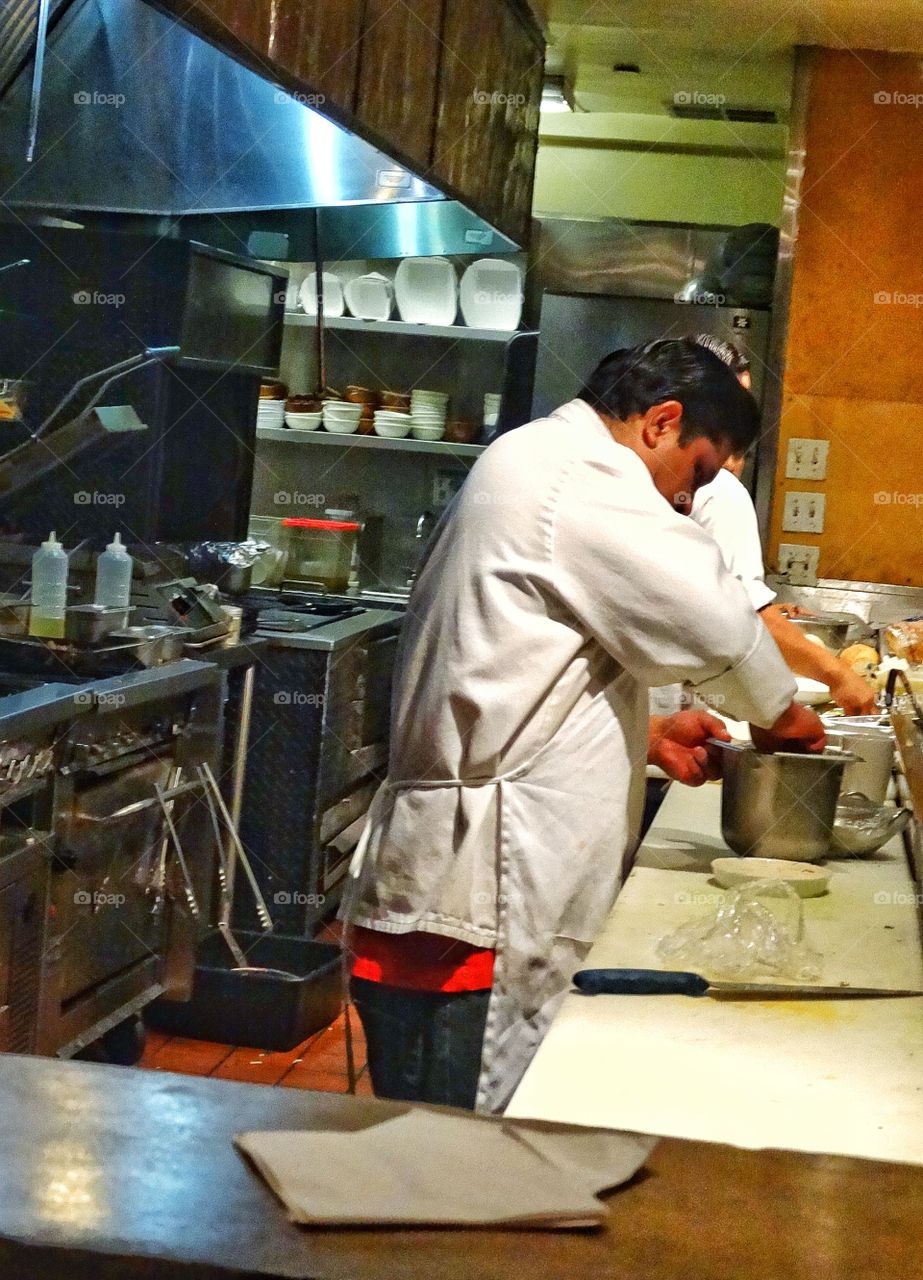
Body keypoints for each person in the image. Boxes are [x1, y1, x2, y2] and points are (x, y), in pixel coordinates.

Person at [340, 340, 825, 1115]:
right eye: (696, 475)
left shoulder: (537, 461)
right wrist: (781, 714)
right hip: (475, 904)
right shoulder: (577, 472)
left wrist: (649, 734)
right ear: (661, 423)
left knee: (449, 1165)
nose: (684, 503)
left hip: (475, 885)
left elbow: (531, 665)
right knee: (448, 1172)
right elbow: (713, 620)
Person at [689, 337, 875, 716]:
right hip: (693, 706)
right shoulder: (720, 489)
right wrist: (839, 677)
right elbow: (745, 617)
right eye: (733, 400)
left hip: (654, 712)